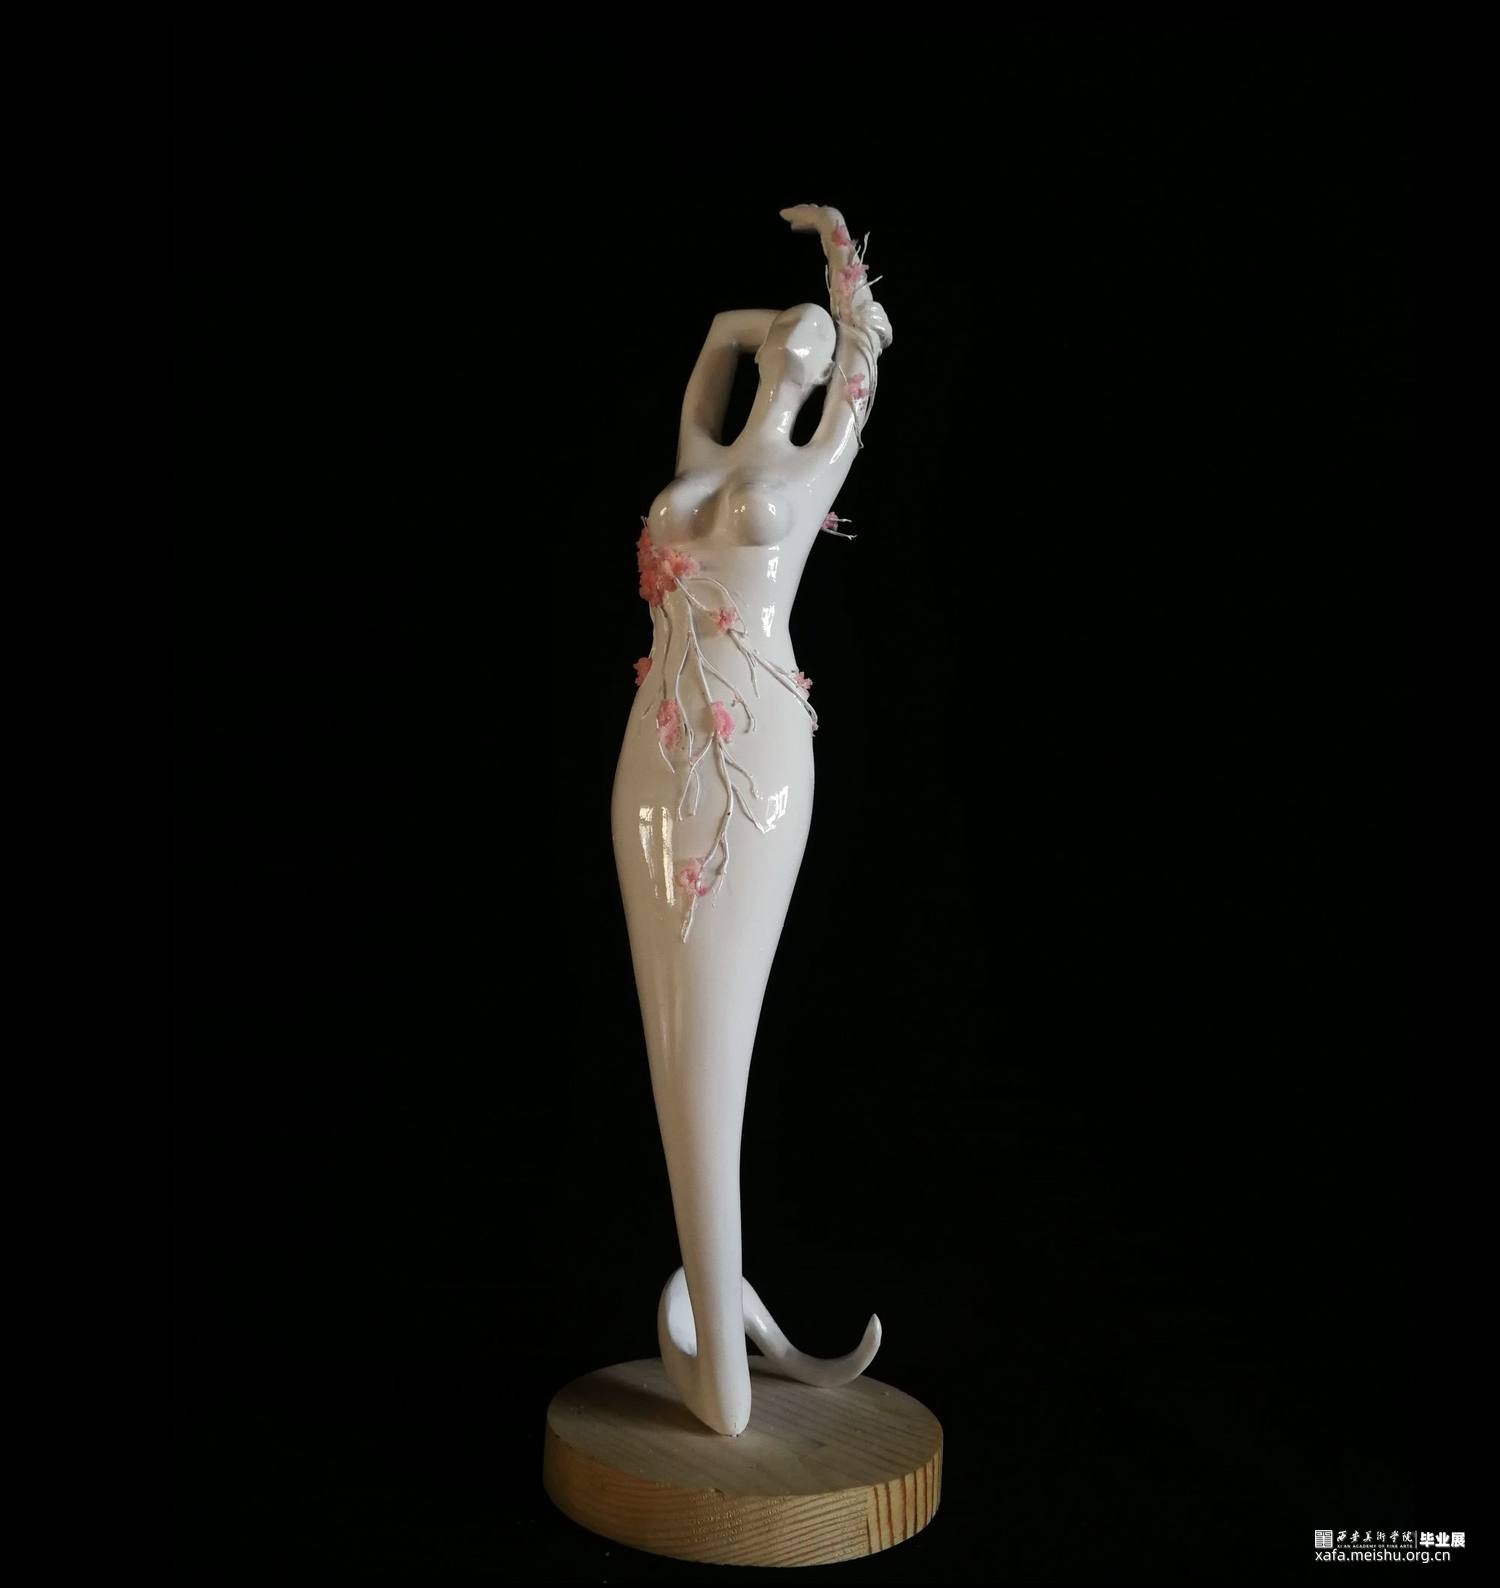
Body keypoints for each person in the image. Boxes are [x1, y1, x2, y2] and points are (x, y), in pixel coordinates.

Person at [609, 205, 893, 1436]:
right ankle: (718, 1314)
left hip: (756, 756)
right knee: (673, 1036)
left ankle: (720, 1351)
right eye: (787, 341)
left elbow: (867, 363)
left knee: (715, 1034)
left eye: (814, 353)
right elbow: (720, 343)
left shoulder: (815, 463)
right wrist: (778, 319)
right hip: (653, 742)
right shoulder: (706, 438)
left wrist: (837, 263)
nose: (794, 355)